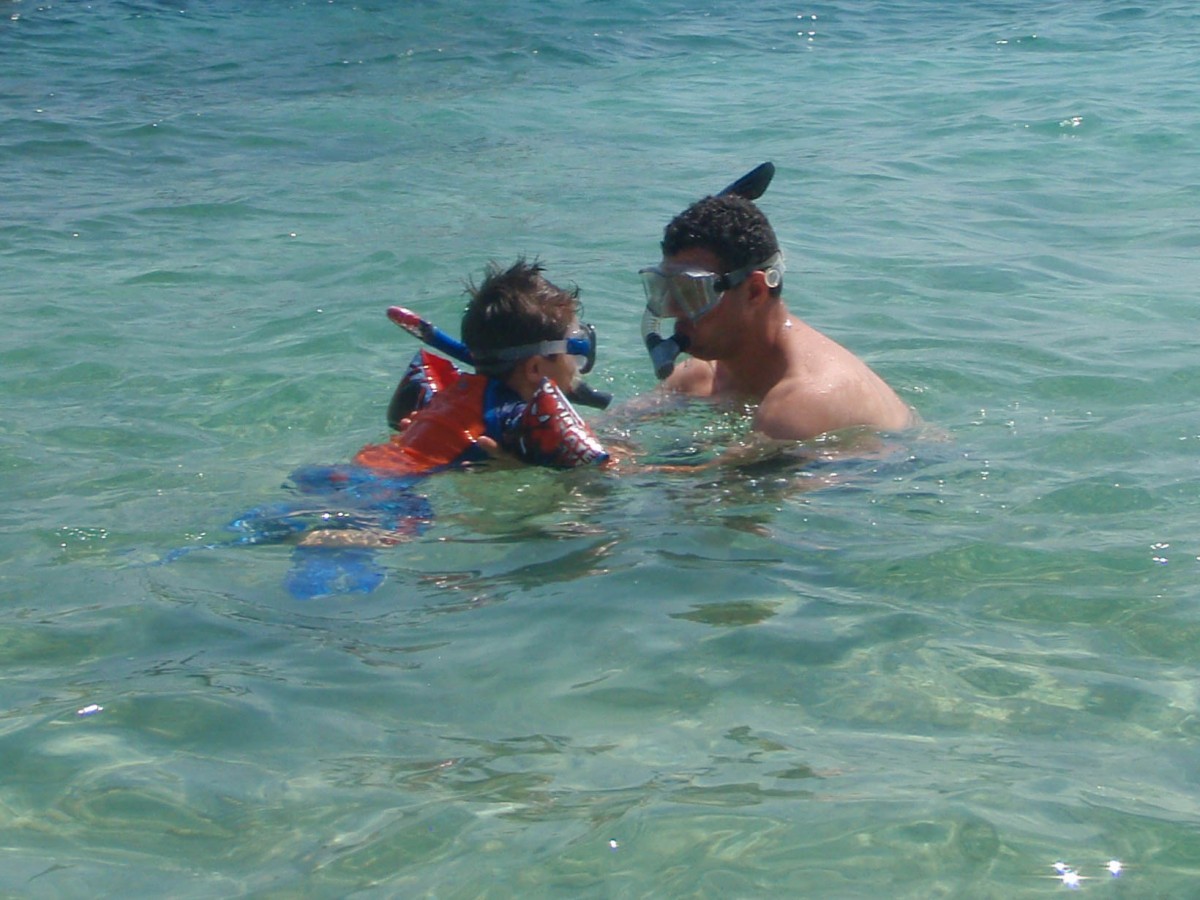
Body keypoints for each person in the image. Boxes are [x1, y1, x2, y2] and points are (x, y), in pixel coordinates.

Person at [640, 193, 913, 442]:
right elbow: (614, 432)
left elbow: (711, 490)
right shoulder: (700, 376)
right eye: (664, 289)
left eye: (692, 293)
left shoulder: (804, 399)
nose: (674, 309)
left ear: (755, 292)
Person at [353, 257, 608, 474]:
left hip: (349, 475)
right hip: (386, 507)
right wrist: (524, 465)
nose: (575, 366)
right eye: (573, 349)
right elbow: (603, 470)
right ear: (535, 369)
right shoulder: (513, 417)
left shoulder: (459, 395)